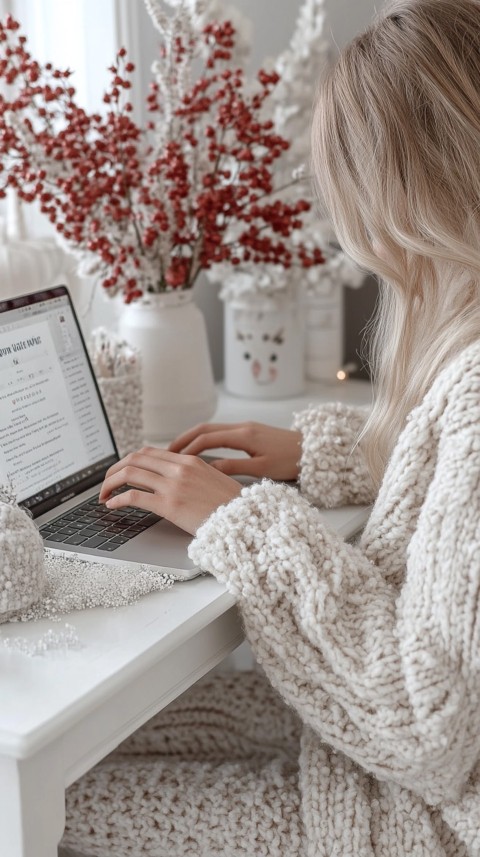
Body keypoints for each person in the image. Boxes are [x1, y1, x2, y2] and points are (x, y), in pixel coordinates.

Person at [60, 0, 480, 854]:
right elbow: (453, 507)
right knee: (106, 734)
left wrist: (237, 520)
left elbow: (426, 728)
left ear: (403, 185)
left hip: (410, 813)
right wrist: (326, 452)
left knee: (65, 796)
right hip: (382, 765)